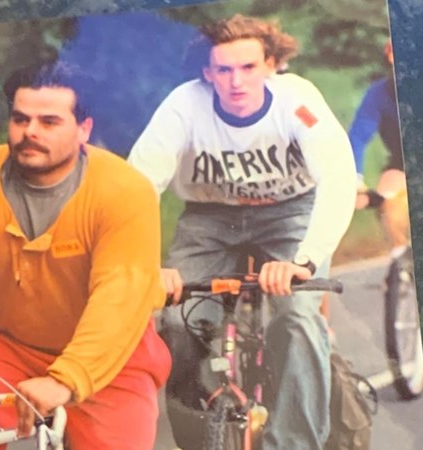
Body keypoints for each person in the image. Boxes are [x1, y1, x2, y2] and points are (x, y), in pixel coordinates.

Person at [0, 62, 172, 449]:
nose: (30, 132)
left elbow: (120, 296)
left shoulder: (125, 190)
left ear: (84, 129)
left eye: (49, 122)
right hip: (4, 341)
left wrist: (66, 379)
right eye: (21, 119)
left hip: (110, 357)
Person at [127, 15, 356, 450]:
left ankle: (294, 443)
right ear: (207, 72)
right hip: (211, 217)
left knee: (297, 316)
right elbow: (136, 188)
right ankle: (200, 431)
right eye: (224, 69)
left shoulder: (297, 102)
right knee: (176, 319)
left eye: (248, 67)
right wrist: (145, 264)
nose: (236, 81)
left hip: (290, 212)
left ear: (271, 64)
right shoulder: (183, 107)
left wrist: (305, 261)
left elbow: (338, 178)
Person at [351, 40, 410, 251]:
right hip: (403, 162)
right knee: (388, 196)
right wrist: (355, 180)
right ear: (390, 55)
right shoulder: (378, 93)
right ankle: (400, 257)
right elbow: (358, 136)